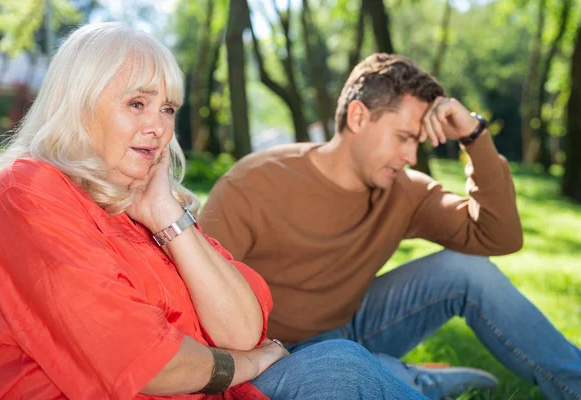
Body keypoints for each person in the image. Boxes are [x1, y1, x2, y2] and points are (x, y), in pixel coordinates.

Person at [0, 25, 427, 400]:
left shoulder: (137, 202)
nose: (158, 127)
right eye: (137, 103)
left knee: (338, 361)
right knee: (338, 366)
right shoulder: (29, 192)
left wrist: (166, 217)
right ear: (78, 105)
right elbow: (146, 361)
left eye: (167, 108)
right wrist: (251, 363)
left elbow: (243, 328)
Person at [200, 53, 581, 400]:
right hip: (270, 355)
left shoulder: (403, 190)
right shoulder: (251, 186)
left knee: (467, 270)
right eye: (403, 138)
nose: (412, 155)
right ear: (358, 117)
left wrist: (474, 138)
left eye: (417, 141)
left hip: (353, 327)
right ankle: (408, 378)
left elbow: (499, 237)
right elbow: (193, 310)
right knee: (343, 369)